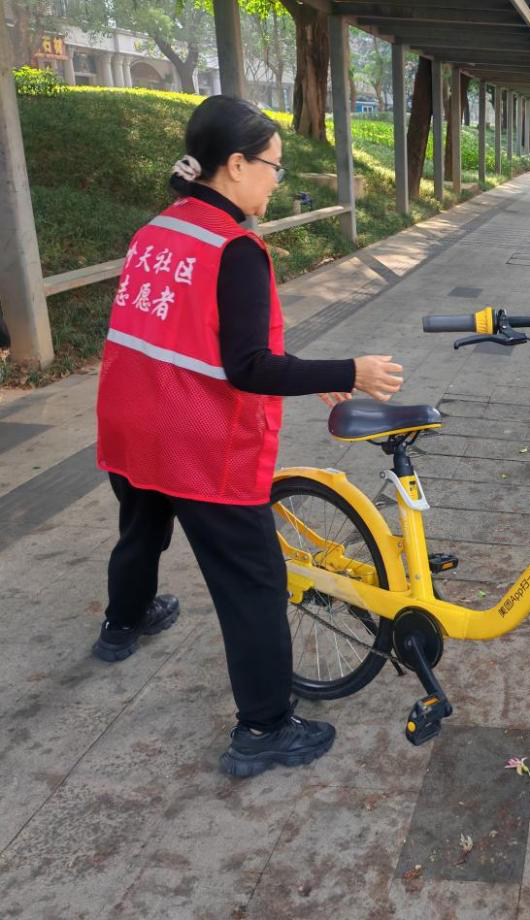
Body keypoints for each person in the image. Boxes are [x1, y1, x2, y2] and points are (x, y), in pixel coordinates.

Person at [92, 95, 404, 778]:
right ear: (233, 165)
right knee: (254, 583)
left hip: (132, 417)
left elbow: (190, 335)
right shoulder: (234, 248)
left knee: (142, 524)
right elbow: (248, 367)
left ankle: (123, 622)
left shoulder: (160, 228)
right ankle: (263, 727)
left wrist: (310, 376)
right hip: (196, 438)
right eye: (271, 166)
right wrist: (351, 368)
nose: (275, 180)